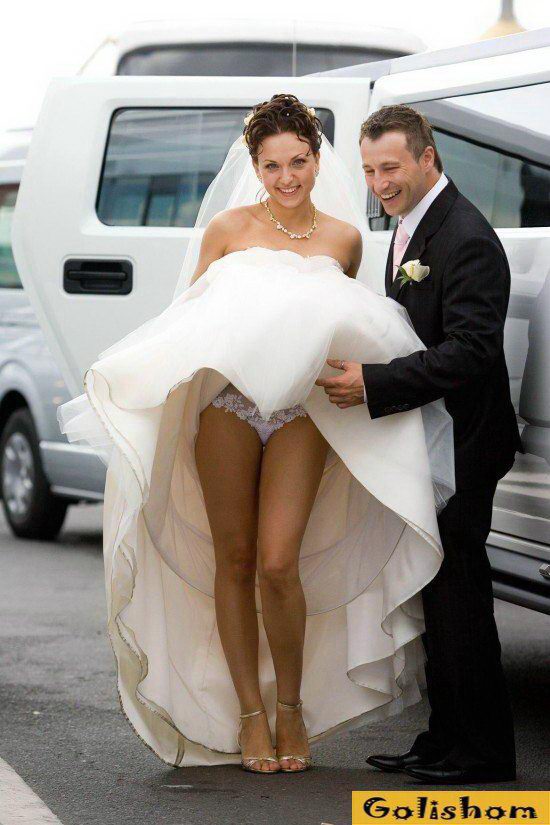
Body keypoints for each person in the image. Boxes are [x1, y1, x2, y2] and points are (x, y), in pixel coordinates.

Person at [57, 94, 455, 774]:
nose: (286, 178)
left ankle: (291, 706)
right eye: (272, 166)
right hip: (228, 408)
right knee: (234, 561)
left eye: (298, 162)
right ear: (255, 167)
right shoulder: (227, 230)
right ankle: (249, 713)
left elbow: (347, 325)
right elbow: (188, 322)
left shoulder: (344, 240)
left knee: (277, 561)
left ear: (317, 159)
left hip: (304, 412)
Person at [316, 104, 521, 784]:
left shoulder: (466, 237)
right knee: (436, 593)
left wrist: (373, 383)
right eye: (370, 170)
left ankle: (483, 753)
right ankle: (444, 738)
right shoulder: (414, 224)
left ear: (428, 157)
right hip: (431, 435)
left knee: (460, 596)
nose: (379, 183)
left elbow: (470, 351)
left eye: (391, 168)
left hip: (465, 440)